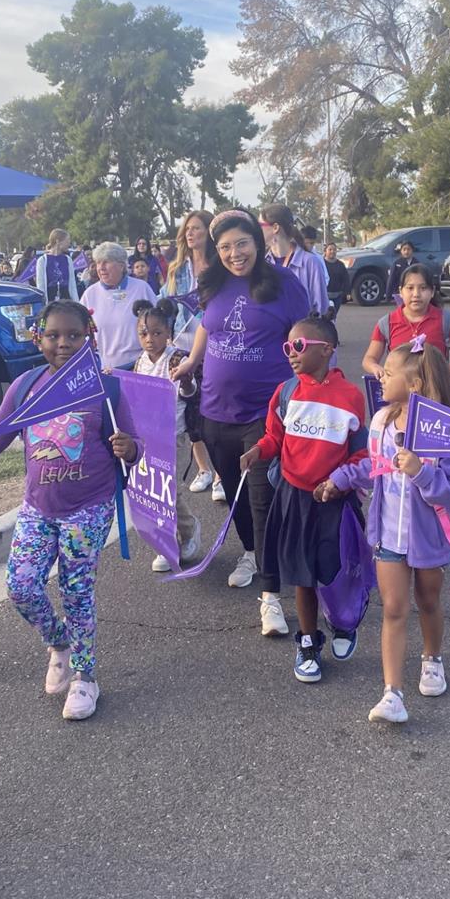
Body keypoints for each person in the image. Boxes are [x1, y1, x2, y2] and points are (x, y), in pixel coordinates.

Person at [0, 300, 138, 719]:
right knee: (20, 586)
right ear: (38, 338)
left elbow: (132, 447)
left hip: (87, 510)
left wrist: (132, 449)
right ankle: (58, 643)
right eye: (53, 335)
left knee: (77, 593)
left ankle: (85, 678)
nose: (64, 343)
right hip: (39, 509)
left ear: (89, 336)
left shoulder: (104, 389)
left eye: (74, 335)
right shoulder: (25, 387)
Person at [171, 209, 310, 635]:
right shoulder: (212, 284)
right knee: (233, 496)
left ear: (258, 242)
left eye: (242, 243)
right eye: (226, 246)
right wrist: (193, 361)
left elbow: (306, 335)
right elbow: (206, 328)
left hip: (265, 413)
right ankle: (251, 551)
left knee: (262, 498)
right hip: (214, 410)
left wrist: (312, 387)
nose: (235, 253)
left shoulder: (285, 285)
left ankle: (270, 596)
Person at [320, 342, 450, 723]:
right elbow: (373, 468)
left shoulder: (446, 431)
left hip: (429, 536)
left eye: (389, 373)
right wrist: (339, 478)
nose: (381, 377)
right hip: (388, 533)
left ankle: (432, 658)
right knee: (393, 608)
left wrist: (422, 472)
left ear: (416, 384)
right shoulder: (382, 422)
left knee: (428, 600)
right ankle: (392, 693)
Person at [239, 315, 368, 683]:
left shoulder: (350, 397)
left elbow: (361, 455)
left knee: (335, 571)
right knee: (302, 574)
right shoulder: (286, 392)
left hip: (334, 501)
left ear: (326, 349)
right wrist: (257, 452)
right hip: (293, 497)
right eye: (287, 347)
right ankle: (308, 641)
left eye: (299, 346)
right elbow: (274, 439)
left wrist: (339, 483)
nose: (291, 353)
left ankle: (344, 624)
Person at [131, 298, 202, 572]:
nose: (150, 339)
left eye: (157, 333)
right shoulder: (140, 361)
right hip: (147, 437)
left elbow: (189, 392)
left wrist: (185, 380)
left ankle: (189, 528)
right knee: (153, 491)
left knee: (168, 489)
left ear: (168, 331)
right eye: (144, 334)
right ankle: (166, 541)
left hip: (174, 435)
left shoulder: (177, 358)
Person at [162, 210, 218, 496]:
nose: (190, 233)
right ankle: (203, 468)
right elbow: (165, 303)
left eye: (196, 228)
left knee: (214, 410)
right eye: (187, 229)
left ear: (209, 232)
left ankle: (220, 473)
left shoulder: (220, 266)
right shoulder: (177, 269)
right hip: (183, 345)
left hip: (215, 346)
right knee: (191, 412)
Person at [362, 263, 450, 382]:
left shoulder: (447, 320)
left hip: (436, 392)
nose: (416, 294)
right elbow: (369, 359)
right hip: (399, 394)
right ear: (401, 292)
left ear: (432, 292)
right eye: (410, 288)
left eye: (423, 288)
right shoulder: (386, 323)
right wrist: (375, 368)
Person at [81, 242, 154, 369]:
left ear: (121, 266)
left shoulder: (141, 288)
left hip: (139, 366)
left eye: (106, 262)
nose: (101, 268)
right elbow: (81, 332)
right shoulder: (89, 294)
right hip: (105, 368)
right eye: (98, 263)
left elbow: (157, 324)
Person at [259, 204, 330, 316]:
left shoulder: (310, 262)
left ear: (275, 228)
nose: (258, 229)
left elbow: (322, 309)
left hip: (302, 332)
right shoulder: (262, 263)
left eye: (260, 225)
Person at [34, 229, 78, 301]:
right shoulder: (42, 261)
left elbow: (72, 284)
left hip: (66, 302)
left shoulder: (68, 259)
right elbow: (40, 286)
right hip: (50, 301)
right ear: (58, 241)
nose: (69, 243)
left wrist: (76, 303)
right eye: (67, 240)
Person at [323, 242, 349, 316]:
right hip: (325, 296)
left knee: (333, 316)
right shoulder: (321, 263)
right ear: (325, 251)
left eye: (334, 249)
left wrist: (347, 292)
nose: (332, 251)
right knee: (325, 316)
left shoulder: (340, 264)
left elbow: (346, 279)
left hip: (337, 296)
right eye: (330, 249)